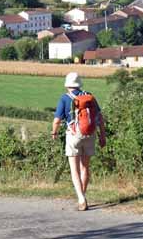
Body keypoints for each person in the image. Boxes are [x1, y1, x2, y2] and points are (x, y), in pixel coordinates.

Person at [51, 72, 106, 211]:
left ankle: (81, 199)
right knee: (85, 167)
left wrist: (54, 132)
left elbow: (57, 120)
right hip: (90, 134)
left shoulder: (65, 98)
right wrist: (102, 136)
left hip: (73, 135)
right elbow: (100, 117)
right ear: (79, 85)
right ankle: (83, 196)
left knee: (74, 170)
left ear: (67, 85)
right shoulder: (89, 96)